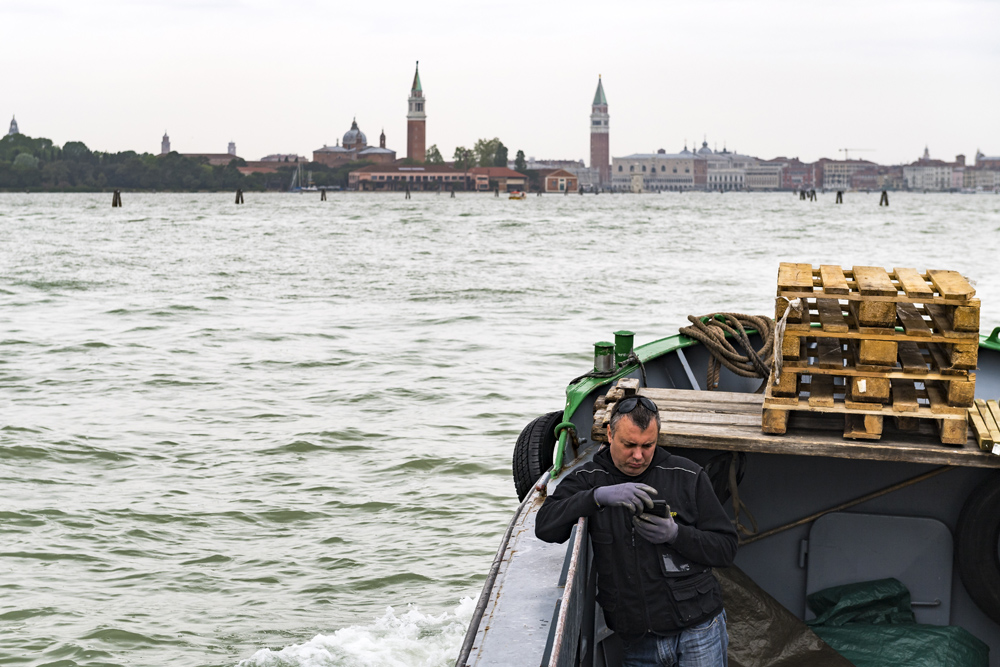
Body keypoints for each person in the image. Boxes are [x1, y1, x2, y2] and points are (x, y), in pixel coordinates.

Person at [535, 395, 738, 667]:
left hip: (699, 630)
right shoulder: (588, 480)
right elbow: (545, 526)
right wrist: (596, 497)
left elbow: (726, 549)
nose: (638, 455)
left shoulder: (687, 475)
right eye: (629, 445)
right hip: (638, 638)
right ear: (609, 434)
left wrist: (677, 535)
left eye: (648, 445)